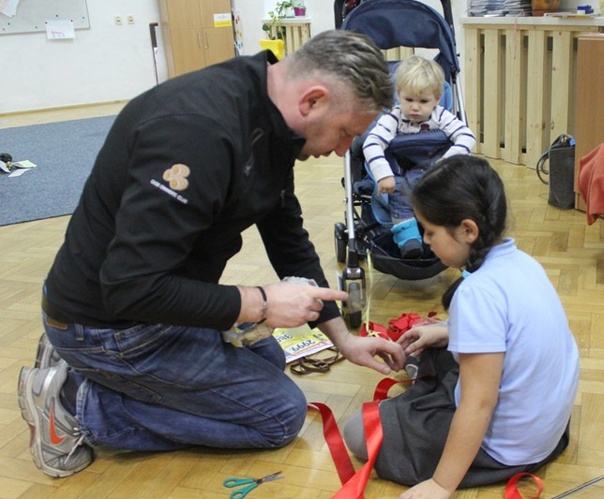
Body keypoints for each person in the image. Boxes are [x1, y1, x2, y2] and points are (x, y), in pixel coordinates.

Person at [16, 29, 406, 479]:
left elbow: (287, 236)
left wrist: (344, 338)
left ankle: (92, 373)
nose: (342, 150)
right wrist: (260, 301)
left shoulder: (268, 106)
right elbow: (128, 288)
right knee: (277, 415)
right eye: (345, 133)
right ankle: (73, 404)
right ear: (313, 101)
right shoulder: (197, 134)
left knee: (270, 360)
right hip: (109, 324)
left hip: (146, 304)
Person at [343, 156, 579, 498]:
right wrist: (447, 332)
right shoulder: (523, 262)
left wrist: (441, 485)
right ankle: (429, 393)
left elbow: (479, 404)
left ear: (468, 230)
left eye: (430, 231)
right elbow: (514, 337)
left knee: (357, 432)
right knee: (437, 346)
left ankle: (429, 425)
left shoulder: (476, 294)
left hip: (506, 450)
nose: (425, 241)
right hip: (546, 430)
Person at [362, 54, 476, 259]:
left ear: (437, 99)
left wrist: (447, 161)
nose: (415, 107)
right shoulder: (393, 118)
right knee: (398, 190)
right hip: (398, 173)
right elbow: (372, 143)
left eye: (423, 101)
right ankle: (408, 239)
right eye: (408, 100)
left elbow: (467, 137)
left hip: (432, 172)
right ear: (398, 95)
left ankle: (447, 235)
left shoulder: (440, 115)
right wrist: (383, 174)